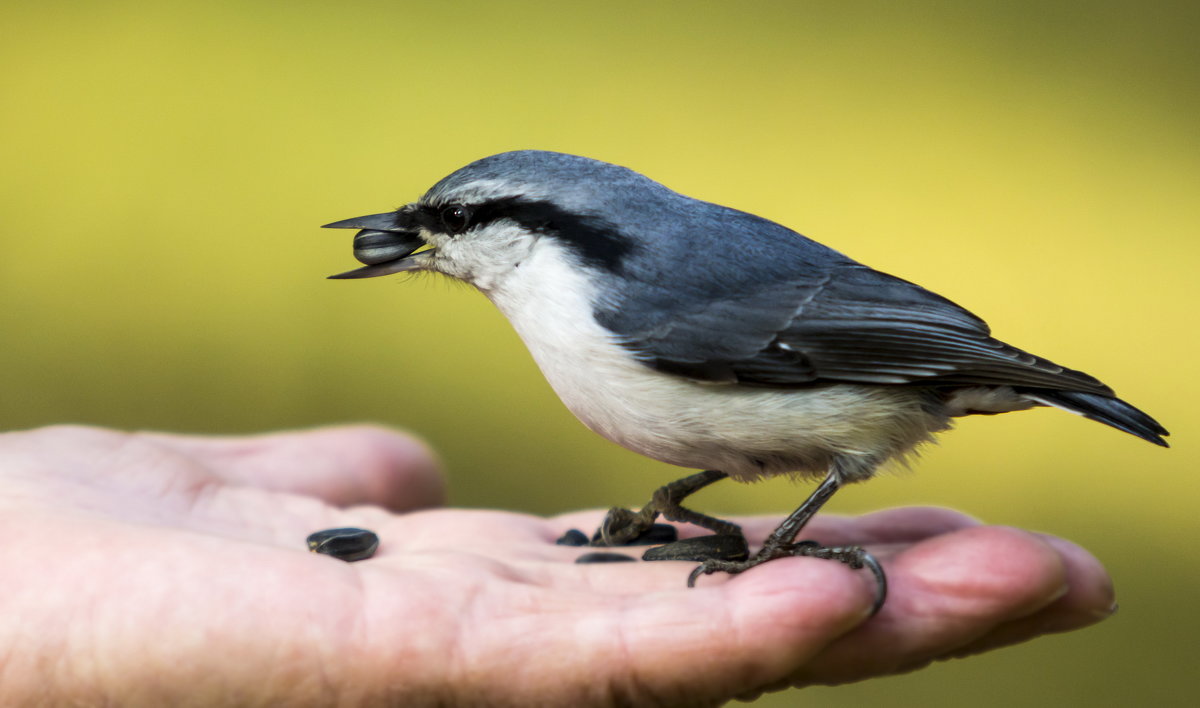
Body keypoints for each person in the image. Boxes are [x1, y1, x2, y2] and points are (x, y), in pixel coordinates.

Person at [0, 424, 1114, 705]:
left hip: (889, 374)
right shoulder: (583, 320)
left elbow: (834, 401)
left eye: (461, 222)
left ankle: (777, 546)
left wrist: (768, 549)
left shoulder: (627, 299)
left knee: (818, 473)